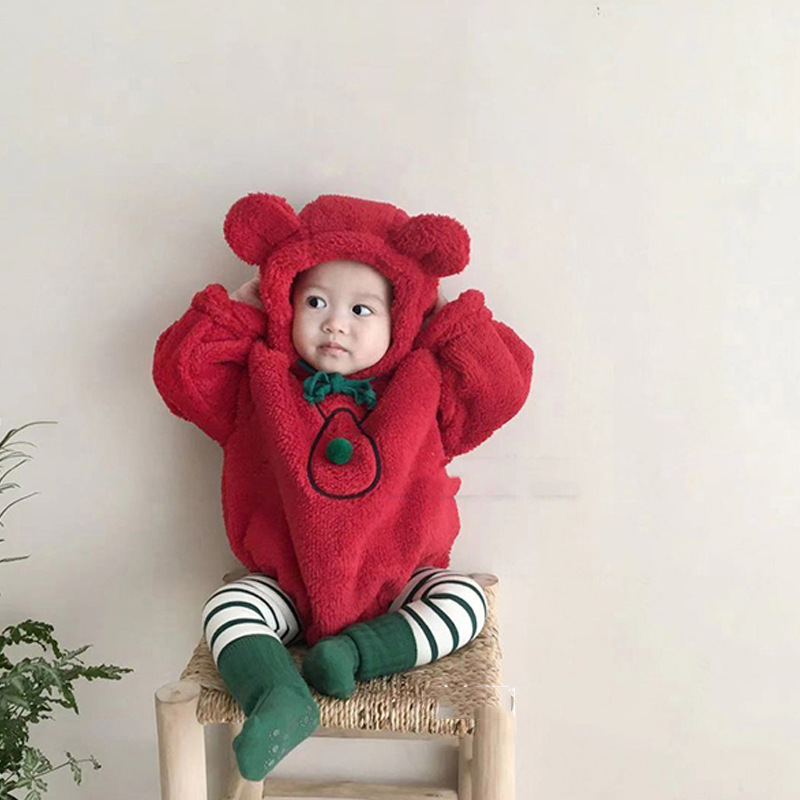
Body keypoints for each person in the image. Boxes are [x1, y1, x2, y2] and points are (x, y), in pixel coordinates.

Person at [152, 193, 534, 781]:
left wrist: (443, 317)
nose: (334, 322)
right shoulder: (260, 381)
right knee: (227, 608)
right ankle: (277, 694)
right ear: (284, 302)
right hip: (287, 589)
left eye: (362, 309)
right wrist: (242, 305)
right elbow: (182, 374)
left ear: (401, 319)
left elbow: (498, 390)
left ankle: (353, 653)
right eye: (314, 301)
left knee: (466, 604)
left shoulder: (423, 385)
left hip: (400, 588)